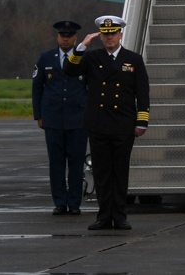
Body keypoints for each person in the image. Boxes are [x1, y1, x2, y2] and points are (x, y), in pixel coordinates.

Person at [64, 15, 149, 231]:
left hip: (123, 124)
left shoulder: (133, 59)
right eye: (105, 34)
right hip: (99, 124)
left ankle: (119, 216)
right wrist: (82, 45)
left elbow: (143, 93)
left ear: (121, 34)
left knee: (120, 172)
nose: (109, 38)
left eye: (113, 34)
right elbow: (69, 69)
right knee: (101, 173)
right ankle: (103, 216)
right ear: (100, 36)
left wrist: (142, 121)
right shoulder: (92, 58)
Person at [31, 20, 88, 215]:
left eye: (69, 36)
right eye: (62, 36)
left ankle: (74, 203)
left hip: (78, 119)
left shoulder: (84, 58)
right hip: (53, 118)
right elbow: (37, 87)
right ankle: (59, 202)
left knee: (76, 162)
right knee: (56, 162)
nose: (65, 39)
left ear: (75, 38)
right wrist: (38, 115)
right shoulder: (46, 58)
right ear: (58, 37)